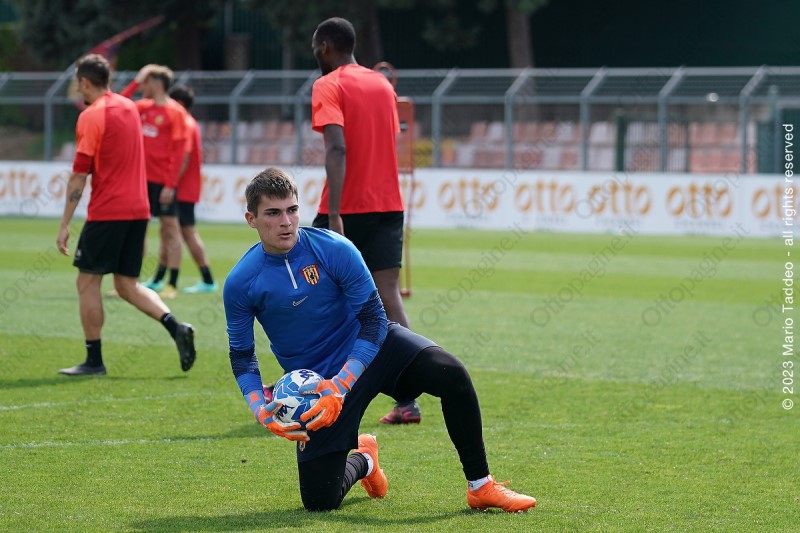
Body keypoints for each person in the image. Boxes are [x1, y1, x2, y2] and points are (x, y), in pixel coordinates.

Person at [223, 168, 536, 513]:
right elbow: (242, 356)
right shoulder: (241, 282)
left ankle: (481, 486)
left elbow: (374, 320)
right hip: (318, 386)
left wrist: (342, 384)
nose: (286, 222)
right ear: (251, 219)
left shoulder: (335, 249)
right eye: (273, 213)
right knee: (319, 501)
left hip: (373, 350)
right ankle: (365, 459)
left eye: (292, 210)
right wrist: (260, 409)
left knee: (451, 373)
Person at [56, 54, 196, 376]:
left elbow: (78, 176)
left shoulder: (92, 116)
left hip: (108, 210)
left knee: (87, 281)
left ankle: (94, 361)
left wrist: (64, 224)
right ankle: (176, 327)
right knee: (126, 285)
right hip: (139, 209)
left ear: (85, 83)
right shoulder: (130, 108)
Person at [310, 17, 420, 425]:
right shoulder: (382, 85)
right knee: (388, 296)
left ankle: (318, 390)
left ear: (325, 47)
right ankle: (408, 398)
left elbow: (337, 148)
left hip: (347, 206)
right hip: (388, 202)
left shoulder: (328, 84)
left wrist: (334, 212)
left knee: (317, 296)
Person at [120, 64, 189, 299]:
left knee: (170, 230)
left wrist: (170, 185)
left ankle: (172, 283)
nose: (142, 87)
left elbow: (179, 152)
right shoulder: (142, 107)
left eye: (145, 82)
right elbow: (116, 104)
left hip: (162, 183)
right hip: (139, 180)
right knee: (136, 230)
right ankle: (132, 283)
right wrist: (136, 79)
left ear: (157, 84)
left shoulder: (176, 113)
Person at [166, 84, 218, 294]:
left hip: (183, 188)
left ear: (178, 103)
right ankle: (163, 277)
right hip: (185, 187)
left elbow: (184, 157)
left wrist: (170, 184)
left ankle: (205, 279)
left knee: (183, 232)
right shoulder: (189, 122)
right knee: (176, 231)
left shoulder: (185, 123)